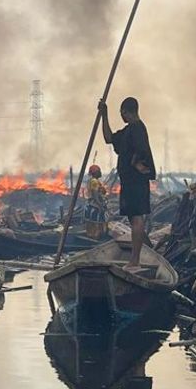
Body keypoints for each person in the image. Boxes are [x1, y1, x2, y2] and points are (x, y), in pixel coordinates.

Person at [100, 97, 155, 267]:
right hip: (130, 182)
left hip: (136, 182)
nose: (122, 116)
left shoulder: (138, 129)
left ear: (126, 112)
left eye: (121, 113)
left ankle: (135, 260)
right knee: (134, 218)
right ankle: (136, 257)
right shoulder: (128, 131)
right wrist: (104, 114)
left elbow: (141, 151)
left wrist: (135, 165)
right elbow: (109, 138)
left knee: (136, 218)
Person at [84, 164, 108, 240]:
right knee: (98, 223)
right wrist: (100, 206)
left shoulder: (92, 181)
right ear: (95, 172)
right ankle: (97, 239)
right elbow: (95, 195)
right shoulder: (94, 181)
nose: (100, 172)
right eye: (99, 171)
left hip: (91, 205)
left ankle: (92, 237)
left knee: (91, 223)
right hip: (95, 206)